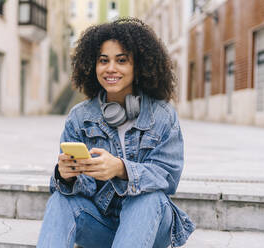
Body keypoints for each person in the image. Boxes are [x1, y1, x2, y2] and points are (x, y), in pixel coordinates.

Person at [37, 17, 195, 248]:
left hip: (151, 226)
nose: (111, 68)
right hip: (101, 228)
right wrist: (66, 175)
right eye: (103, 61)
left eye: (121, 60)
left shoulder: (162, 115)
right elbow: (82, 189)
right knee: (61, 200)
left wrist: (121, 169)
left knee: (148, 197)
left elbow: (167, 177)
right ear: (93, 66)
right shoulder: (80, 117)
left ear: (137, 66)